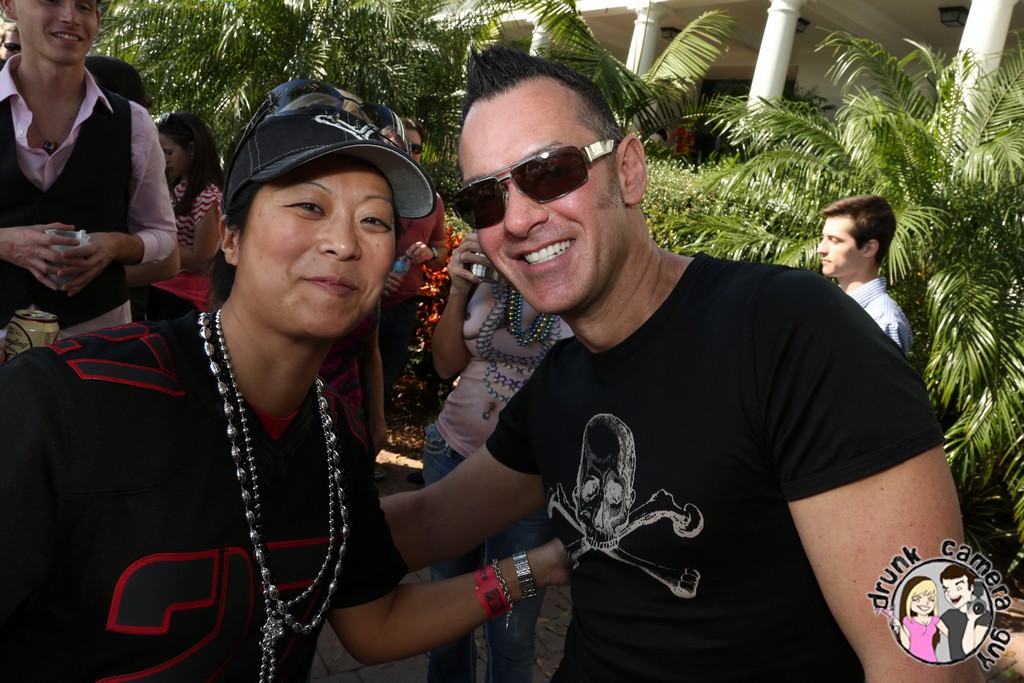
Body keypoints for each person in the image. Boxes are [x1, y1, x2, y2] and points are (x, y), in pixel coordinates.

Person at [381, 45, 978, 681]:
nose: (519, 219)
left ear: (629, 170)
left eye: (551, 171)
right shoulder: (560, 383)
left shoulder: (789, 330)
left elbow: (936, 654)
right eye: (487, 200)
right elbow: (432, 520)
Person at [0, 79, 569, 680]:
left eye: (374, 220)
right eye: (309, 207)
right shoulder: (70, 401)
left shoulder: (335, 436)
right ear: (232, 236)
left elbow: (371, 624)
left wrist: (544, 565)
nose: (344, 243)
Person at [423, 230, 570, 683]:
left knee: (511, 629)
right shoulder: (487, 272)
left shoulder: (572, 272)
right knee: (443, 620)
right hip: (452, 455)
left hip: (527, 483)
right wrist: (458, 289)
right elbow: (445, 365)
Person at [0, 0, 176, 340]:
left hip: (97, 341)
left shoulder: (133, 122)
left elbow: (164, 236)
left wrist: (115, 244)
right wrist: (5, 242)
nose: (70, 17)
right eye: (51, 0)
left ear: (96, 19)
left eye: (83, 6)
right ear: (9, 5)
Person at [377, 116, 448, 407]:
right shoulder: (368, 192)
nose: (410, 153)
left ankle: (372, 434)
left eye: (415, 148)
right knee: (345, 381)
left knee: (383, 383)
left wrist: (430, 254)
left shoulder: (433, 201)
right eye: (401, 145)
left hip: (403, 308)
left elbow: (441, 253)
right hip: (360, 306)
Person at [141, 111, 223, 319]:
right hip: (161, 287)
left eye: (169, 152)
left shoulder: (207, 196)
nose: (164, 159)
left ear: (192, 149)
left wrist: (159, 241)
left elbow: (201, 260)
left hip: (185, 298)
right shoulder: (179, 188)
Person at [817, 194, 913, 355]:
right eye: (824, 238)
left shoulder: (883, 322)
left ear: (869, 248)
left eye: (834, 240)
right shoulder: (829, 305)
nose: (821, 249)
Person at [939, 565, 991, 661]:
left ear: (971, 588)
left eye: (958, 588)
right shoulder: (949, 614)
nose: (951, 593)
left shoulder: (983, 616)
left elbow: (969, 650)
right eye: (946, 589)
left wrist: (971, 620)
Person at [893, 577, 947, 663]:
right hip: (913, 661)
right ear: (908, 600)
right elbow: (906, 645)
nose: (925, 603)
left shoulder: (935, 620)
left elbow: (951, 635)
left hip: (932, 660)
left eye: (931, 599)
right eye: (917, 599)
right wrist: (899, 626)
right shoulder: (908, 621)